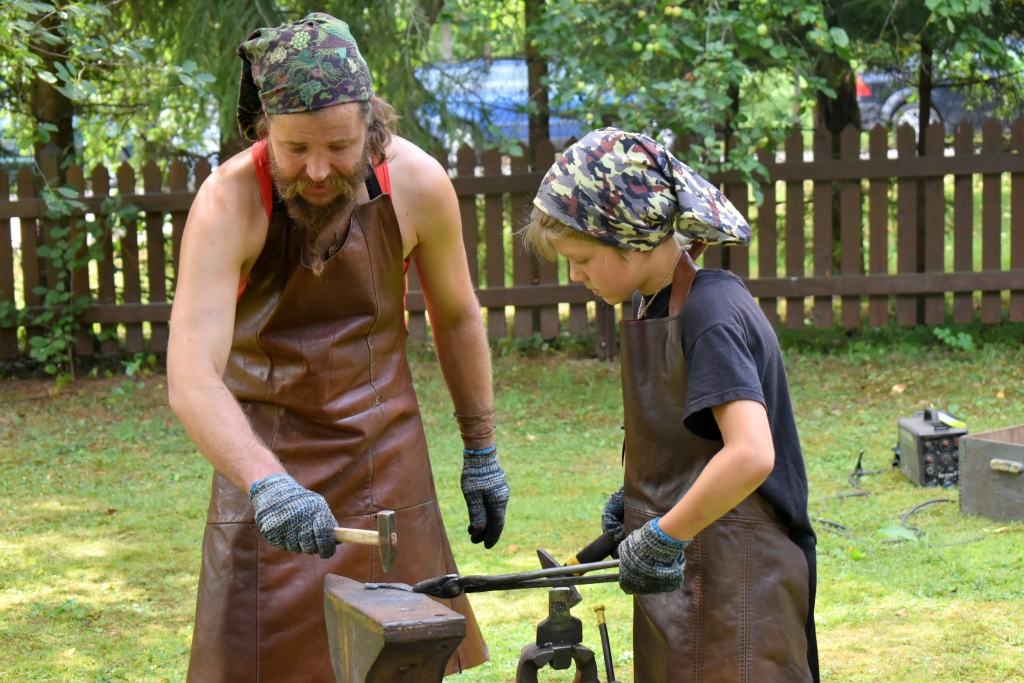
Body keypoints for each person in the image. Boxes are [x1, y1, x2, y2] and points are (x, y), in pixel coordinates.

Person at [167, 13, 505, 681]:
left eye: (339, 147)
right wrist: (268, 483)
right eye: (295, 149)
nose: (317, 171)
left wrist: (481, 445)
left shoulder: (419, 184)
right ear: (265, 127)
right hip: (262, 467)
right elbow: (190, 374)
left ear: (373, 126)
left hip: (387, 464)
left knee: (404, 660)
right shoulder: (227, 203)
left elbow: (458, 316)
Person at [522, 128, 818, 683]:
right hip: (688, 572)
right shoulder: (654, 303)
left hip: (741, 581)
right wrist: (639, 501)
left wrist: (662, 534)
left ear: (630, 238)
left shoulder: (710, 311)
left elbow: (752, 453)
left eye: (582, 258)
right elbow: (696, 440)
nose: (575, 275)